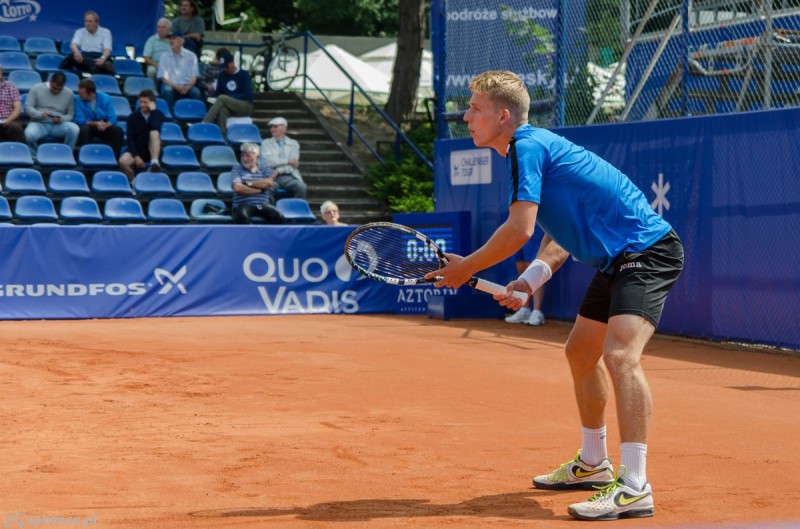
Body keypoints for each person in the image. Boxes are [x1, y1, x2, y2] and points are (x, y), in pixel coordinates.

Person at [427, 71, 684, 522]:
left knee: (620, 355)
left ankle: (635, 484)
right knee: (580, 351)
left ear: (502, 116)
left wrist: (464, 268)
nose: (465, 116)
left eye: (475, 109)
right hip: (615, 260)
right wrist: (530, 281)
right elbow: (557, 234)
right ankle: (593, 463)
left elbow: (519, 230)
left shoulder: (527, 147)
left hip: (647, 250)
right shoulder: (529, 151)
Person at [24, 71, 80, 155]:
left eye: (59, 89)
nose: (56, 91)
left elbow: (70, 115)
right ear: (50, 81)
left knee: (74, 129)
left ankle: (66, 155)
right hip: (39, 122)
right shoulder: (36, 88)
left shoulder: (69, 93)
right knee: (29, 134)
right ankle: (34, 157)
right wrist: (40, 114)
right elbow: (27, 108)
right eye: (54, 87)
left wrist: (62, 119)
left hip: (58, 125)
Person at [230, 142, 283, 224]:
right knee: (242, 216)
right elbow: (237, 188)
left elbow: (268, 183)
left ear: (257, 157)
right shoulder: (237, 169)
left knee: (278, 216)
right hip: (243, 204)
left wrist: (247, 183)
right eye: (243, 156)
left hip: (263, 204)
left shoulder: (265, 168)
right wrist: (259, 190)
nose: (245, 159)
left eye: (248, 156)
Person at [118, 89, 166, 181]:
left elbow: (155, 126)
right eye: (141, 102)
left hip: (152, 150)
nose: (142, 105)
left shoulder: (158, 115)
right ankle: (134, 181)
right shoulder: (133, 117)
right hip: (137, 149)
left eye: (145, 102)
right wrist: (136, 157)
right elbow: (130, 139)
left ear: (152, 103)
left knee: (154, 132)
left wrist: (153, 112)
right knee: (123, 161)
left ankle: (154, 163)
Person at [202, 52, 253, 136]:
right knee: (223, 110)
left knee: (223, 98)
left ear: (232, 63)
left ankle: (205, 123)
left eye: (227, 67)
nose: (225, 69)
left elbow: (247, 95)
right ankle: (222, 136)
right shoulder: (222, 75)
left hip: (245, 106)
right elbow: (217, 93)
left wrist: (228, 98)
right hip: (228, 105)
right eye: (224, 67)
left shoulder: (244, 75)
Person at [74, 78, 125, 158]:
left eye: (81, 93)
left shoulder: (106, 98)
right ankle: (85, 157)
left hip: (104, 125)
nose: (79, 95)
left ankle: (115, 158)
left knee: (118, 131)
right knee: (84, 130)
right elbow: (79, 120)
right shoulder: (77, 100)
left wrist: (106, 125)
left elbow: (113, 119)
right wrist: (95, 124)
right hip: (89, 125)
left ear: (90, 93)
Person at [504, 229, 546, 326]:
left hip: (535, 228)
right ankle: (525, 310)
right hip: (517, 230)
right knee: (521, 269)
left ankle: (537, 312)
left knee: (534, 270)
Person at [260, 116, 307, 199]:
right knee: (266, 189)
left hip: (287, 176)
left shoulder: (294, 144)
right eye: (271, 127)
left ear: (284, 128)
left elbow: (293, 166)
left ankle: (295, 210)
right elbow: (267, 162)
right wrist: (288, 161)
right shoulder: (266, 143)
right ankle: (270, 211)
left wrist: (278, 171)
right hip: (269, 175)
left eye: (275, 127)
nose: (272, 129)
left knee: (301, 187)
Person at [157, 29, 202, 112]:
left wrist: (188, 87)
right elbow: (164, 78)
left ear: (181, 41)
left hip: (186, 85)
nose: (171, 40)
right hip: (171, 85)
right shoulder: (164, 56)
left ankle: (191, 117)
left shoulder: (191, 56)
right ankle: (169, 115)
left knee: (196, 93)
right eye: (170, 38)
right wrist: (176, 86)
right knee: (167, 91)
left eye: (173, 38)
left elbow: (194, 77)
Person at [60, 10, 114, 75]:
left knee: (95, 64)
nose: (87, 24)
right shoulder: (80, 32)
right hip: (84, 57)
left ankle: (102, 66)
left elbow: (107, 49)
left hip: (98, 56)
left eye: (90, 21)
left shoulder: (106, 32)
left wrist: (102, 58)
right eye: (86, 21)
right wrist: (77, 52)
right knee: (71, 57)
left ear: (97, 22)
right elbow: (73, 45)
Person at [0, 65, 24, 143]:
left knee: (17, 128)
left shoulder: (10, 86)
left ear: (1, 73)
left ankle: (17, 152)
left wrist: (8, 120)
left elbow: (18, 108)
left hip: (8, 120)